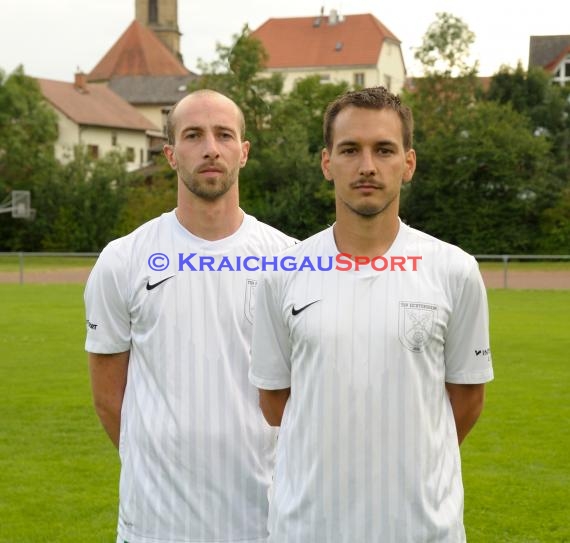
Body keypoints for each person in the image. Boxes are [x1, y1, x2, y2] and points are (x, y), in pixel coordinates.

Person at [249, 86, 494, 542]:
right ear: (327, 163)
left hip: (421, 529)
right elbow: (275, 404)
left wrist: (409, 456)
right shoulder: (282, 275)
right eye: (350, 150)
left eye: (384, 149)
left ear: (409, 163)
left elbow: (466, 399)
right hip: (308, 527)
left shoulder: (454, 270)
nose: (367, 166)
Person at [84, 89, 296, 543]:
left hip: (266, 521)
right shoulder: (124, 260)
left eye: (224, 135)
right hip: (156, 525)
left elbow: (304, 397)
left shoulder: (290, 261)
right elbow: (107, 398)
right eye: (193, 135)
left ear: (244, 152)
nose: (210, 148)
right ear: (170, 154)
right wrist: (158, 466)